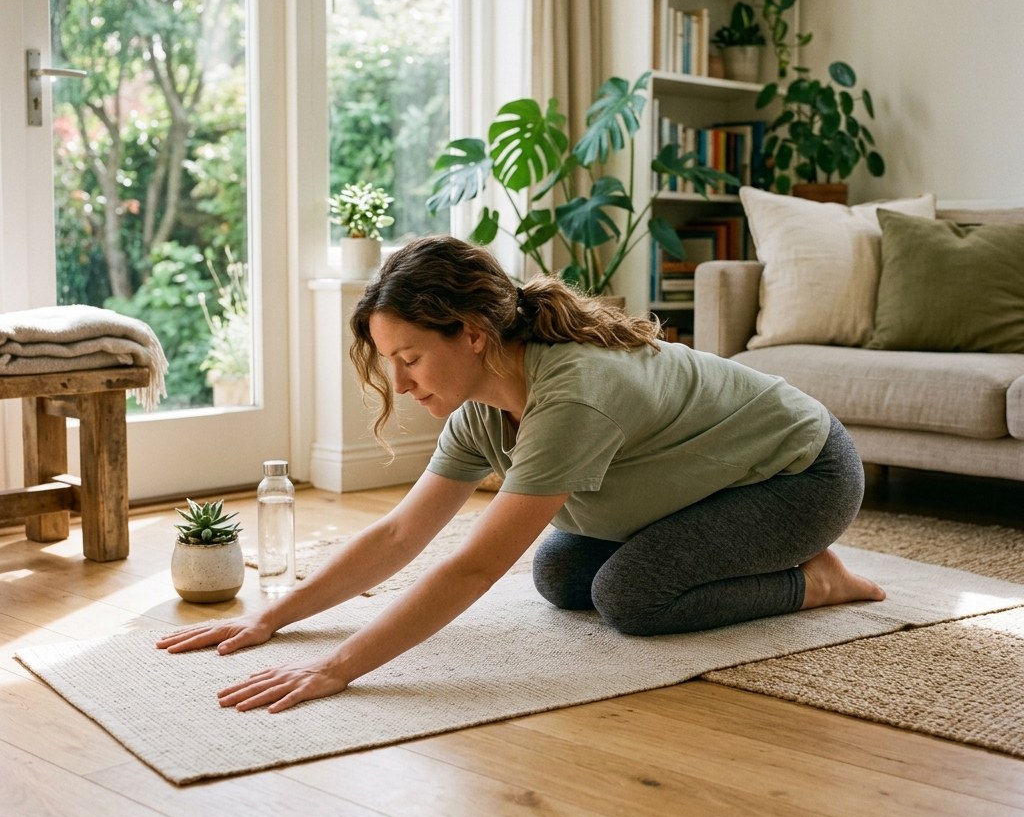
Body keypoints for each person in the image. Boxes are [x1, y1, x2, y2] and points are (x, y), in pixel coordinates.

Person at [158, 235, 884, 712]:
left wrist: (339, 668)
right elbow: (404, 532)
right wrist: (273, 618)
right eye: (392, 365)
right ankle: (755, 555)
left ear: (472, 333)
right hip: (705, 486)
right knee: (562, 579)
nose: (403, 385)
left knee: (631, 599)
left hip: (800, 477)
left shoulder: (573, 395)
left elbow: (471, 569)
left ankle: (816, 578)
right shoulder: (483, 403)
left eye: (409, 359)